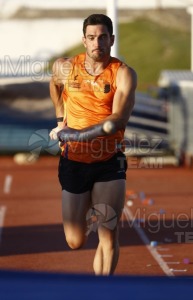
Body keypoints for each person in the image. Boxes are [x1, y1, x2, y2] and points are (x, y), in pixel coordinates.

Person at [49, 14, 137, 275]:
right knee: (74, 241)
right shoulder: (65, 67)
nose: (97, 42)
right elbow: (54, 85)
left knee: (108, 232)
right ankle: (89, 214)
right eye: (91, 37)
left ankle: (103, 290)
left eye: (102, 37)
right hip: (74, 162)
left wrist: (77, 135)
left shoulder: (123, 74)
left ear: (111, 39)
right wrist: (60, 117)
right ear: (84, 40)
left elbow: (117, 120)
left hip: (109, 161)